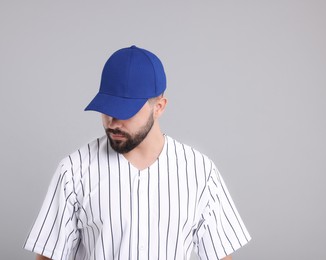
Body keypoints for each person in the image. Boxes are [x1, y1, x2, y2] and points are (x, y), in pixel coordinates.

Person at [23, 45, 251, 260]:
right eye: (106, 110)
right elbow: (49, 255)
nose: (112, 122)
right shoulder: (73, 171)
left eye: (125, 111)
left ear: (159, 107)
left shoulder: (200, 173)